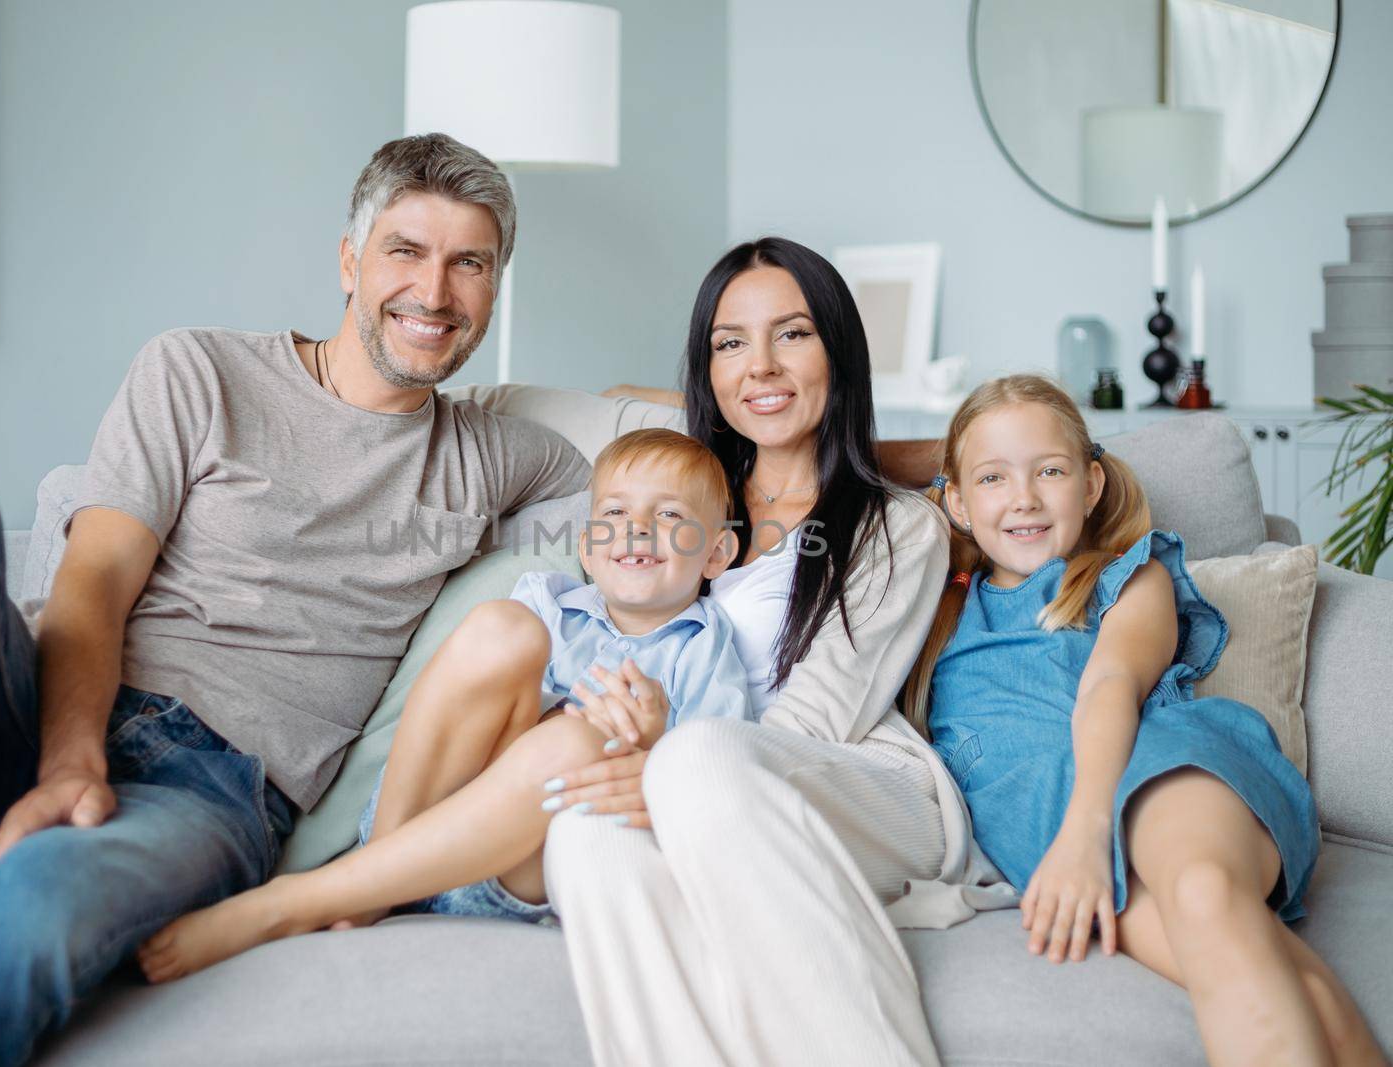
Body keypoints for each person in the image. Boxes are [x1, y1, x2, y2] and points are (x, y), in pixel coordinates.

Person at [0, 133, 591, 1066]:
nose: (436, 291)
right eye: (406, 251)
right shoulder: (202, 371)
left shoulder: (498, 457)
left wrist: (703, 392)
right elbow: (93, 577)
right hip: (42, 709)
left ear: (495, 288)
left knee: (33, 915)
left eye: (471, 264)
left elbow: (655, 463)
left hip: (211, 792)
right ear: (349, 259)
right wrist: (69, 762)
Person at [478, 237, 1010, 1067]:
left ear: (840, 349)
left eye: (792, 335)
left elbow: (816, 721)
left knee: (697, 759)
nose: (760, 365)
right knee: (585, 829)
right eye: (731, 343)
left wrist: (663, 758)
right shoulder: (688, 494)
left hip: (860, 783)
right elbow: (554, 405)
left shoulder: (896, 525)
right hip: (686, 772)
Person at [135, 428, 756, 981]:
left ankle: (296, 902)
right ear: (589, 547)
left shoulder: (705, 650)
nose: (636, 528)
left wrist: (652, 744)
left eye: (670, 514)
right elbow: (478, 699)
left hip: (513, 869)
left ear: (717, 554)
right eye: (615, 511)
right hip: (419, 813)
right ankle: (374, 877)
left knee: (578, 739)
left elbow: (718, 781)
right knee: (503, 628)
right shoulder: (548, 600)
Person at [904, 374, 1382, 1065]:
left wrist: (1083, 837)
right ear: (953, 499)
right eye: (991, 477)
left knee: (1204, 892)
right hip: (1046, 834)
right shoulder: (936, 611)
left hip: (1159, 769)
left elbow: (1110, 684)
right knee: (1279, 973)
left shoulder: (1123, 574)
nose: (1024, 497)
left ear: (1092, 484)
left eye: (1051, 470)